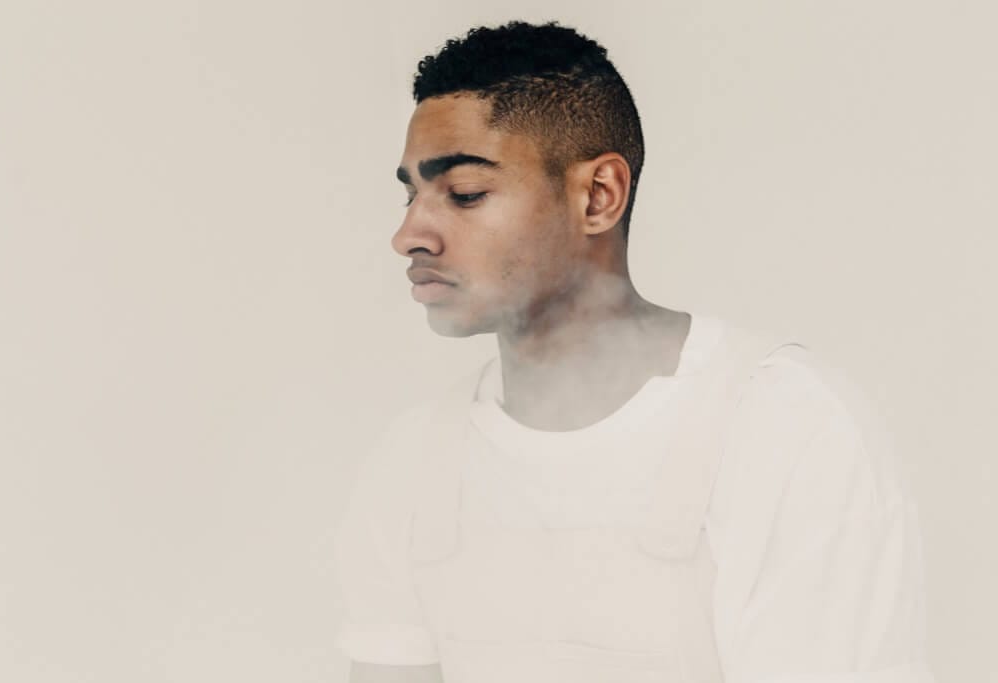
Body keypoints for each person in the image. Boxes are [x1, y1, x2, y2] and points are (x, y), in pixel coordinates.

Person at [331, 20, 936, 683]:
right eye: (410, 194)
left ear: (598, 196)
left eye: (464, 193)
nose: (410, 234)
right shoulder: (414, 462)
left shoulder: (784, 430)